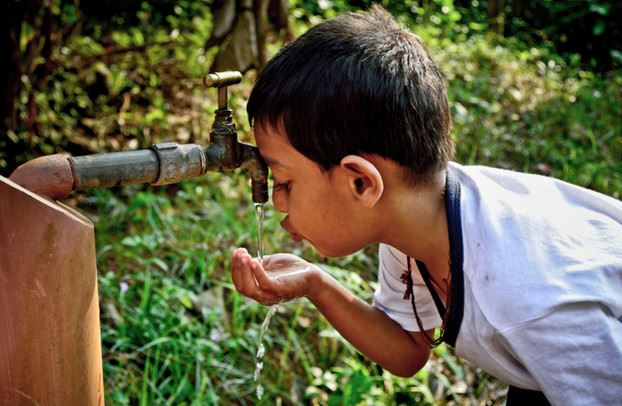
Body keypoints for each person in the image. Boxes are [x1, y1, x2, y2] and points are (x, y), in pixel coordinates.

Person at [230, 5, 622, 405]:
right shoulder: (416, 223)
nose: (276, 201)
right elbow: (406, 349)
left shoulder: (532, 304)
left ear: (362, 182)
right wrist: (316, 284)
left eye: (284, 182)